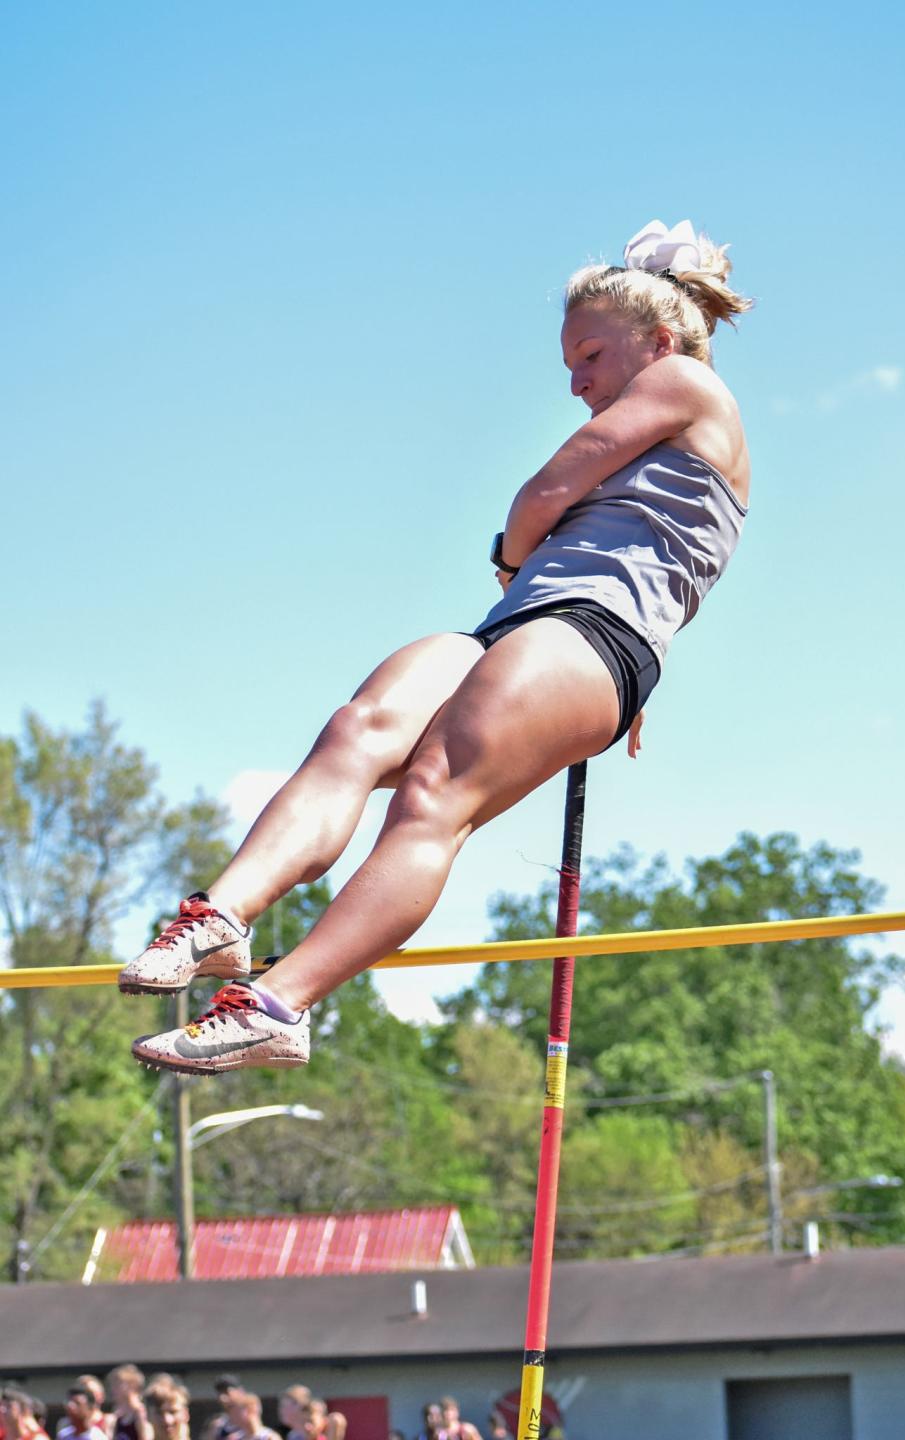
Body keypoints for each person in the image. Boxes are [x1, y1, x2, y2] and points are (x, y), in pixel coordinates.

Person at [121, 217, 751, 1074]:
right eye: (569, 367)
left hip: (589, 633)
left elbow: (542, 496)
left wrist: (511, 554)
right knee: (359, 729)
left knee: (431, 791)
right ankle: (220, 918)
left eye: (591, 358)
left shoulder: (688, 384)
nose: (576, 384)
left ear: (661, 340)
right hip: (525, 626)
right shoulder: (664, 418)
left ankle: (275, 1005)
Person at [106, 1367, 153, 1440]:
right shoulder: (119, 1415)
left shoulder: (139, 1411)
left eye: (117, 1384)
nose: (113, 1389)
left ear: (132, 1385)